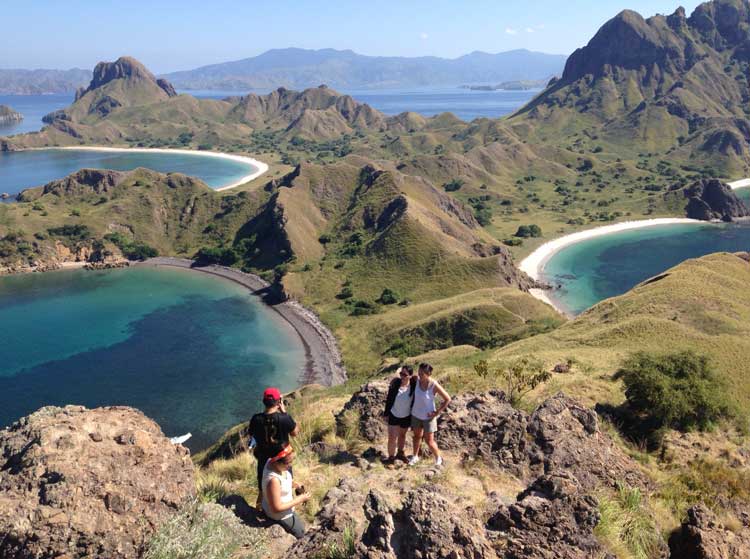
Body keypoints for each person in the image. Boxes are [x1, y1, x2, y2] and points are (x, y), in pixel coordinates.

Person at [248, 387, 299, 509]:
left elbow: (252, 434)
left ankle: (258, 511)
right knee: (286, 486)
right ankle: (287, 511)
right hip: (283, 460)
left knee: (262, 489)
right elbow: (295, 433)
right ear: (278, 402)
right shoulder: (284, 418)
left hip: (263, 459)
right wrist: (284, 413)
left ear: (264, 402)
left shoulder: (256, 419)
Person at [261, 444, 310, 538]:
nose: (290, 465)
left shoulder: (270, 462)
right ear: (276, 462)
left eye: (292, 461)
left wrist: (293, 484)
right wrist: (300, 499)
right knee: (303, 535)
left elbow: (281, 484)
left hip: (285, 510)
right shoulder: (273, 481)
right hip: (281, 515)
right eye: (287, 463)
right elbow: (276, 508)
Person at [409, 363, 451, 466]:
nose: (419, 375)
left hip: (428, 417)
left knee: (429, 441)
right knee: (417, 437)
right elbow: (406, 377)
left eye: (422, 373)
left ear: (428, 374)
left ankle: (438, 458)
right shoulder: (416, 379)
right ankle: (415, 457)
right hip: (416, 414)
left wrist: (437, 412)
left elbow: (447, 399)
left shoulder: (434, 385)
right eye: (419, 372)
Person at [382, 365, 416, 464]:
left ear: (410, 376)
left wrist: (414, 377)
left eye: (405, 374)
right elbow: (389, 399)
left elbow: (422, 378)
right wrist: (386, 413)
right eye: (401, 374)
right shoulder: (395, 384)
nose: (402, 376)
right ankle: (391, 457)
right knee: (392, 437)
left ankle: (400, 453)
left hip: (406, 416)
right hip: (394, 414)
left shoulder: (413, 385)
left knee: (402, 435)